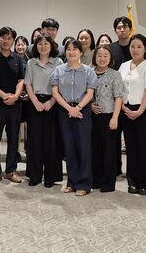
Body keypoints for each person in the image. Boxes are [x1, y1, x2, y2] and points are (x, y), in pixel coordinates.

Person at [51, 38, 96, 196]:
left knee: (84, 147)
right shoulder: (59, 70)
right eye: (68, 49)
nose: (71, 52)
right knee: (69, 148)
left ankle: (84, 184)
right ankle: (72, 182)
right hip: (64, 110)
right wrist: (69, 108)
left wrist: (77, 108)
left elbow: (90, 93)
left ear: (81, 52)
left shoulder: (88, 71)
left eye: (75, 49)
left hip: (82, 110)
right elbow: (55, 92)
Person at [119, 34, 146, 195]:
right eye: (132, 46)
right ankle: (133, 181)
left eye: (139, 46)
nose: (135, 49)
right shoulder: (123, 66)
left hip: (145, 109)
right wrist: (123, 107)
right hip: (126, 109)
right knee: (131, 147)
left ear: (145, 48)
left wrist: (140, 111)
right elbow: (118, 89)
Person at [24, 35, 63, 187]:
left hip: (53, 102)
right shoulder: (31, 62)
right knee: (34, 141)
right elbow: (28, 84)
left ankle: (50, 177)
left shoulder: (58, 62)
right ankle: (34, 176)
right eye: (40, 44)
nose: (43, 46)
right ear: (36, 46)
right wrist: (35, 102)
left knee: (51, 141)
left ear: (51, 45)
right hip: (34, 103)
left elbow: (60, 84)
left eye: (46, 43)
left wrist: (51, 101)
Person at [0, 27, 25, 185]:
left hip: (14, 105)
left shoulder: (17, 58)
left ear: (13, 41)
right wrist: (4, 95)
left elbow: (21, 80)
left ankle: (11, 170)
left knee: (13, 138)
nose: (5, 40)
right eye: (3, 37)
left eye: (9, 38)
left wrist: (15, 96)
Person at [90, 44, 124, 193]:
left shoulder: (115, 74)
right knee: (95, 149)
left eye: (105, 56)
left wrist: (115, 117)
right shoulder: (89, 72)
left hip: (109, 116)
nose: (102, 58)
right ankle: (96, 180)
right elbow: (85, 93)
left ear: (110, 58)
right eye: (99, 55)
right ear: (95, 57)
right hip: (92, 116)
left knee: (109, 151)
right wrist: (90, 105)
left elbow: (118, 97)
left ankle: (108, 183)